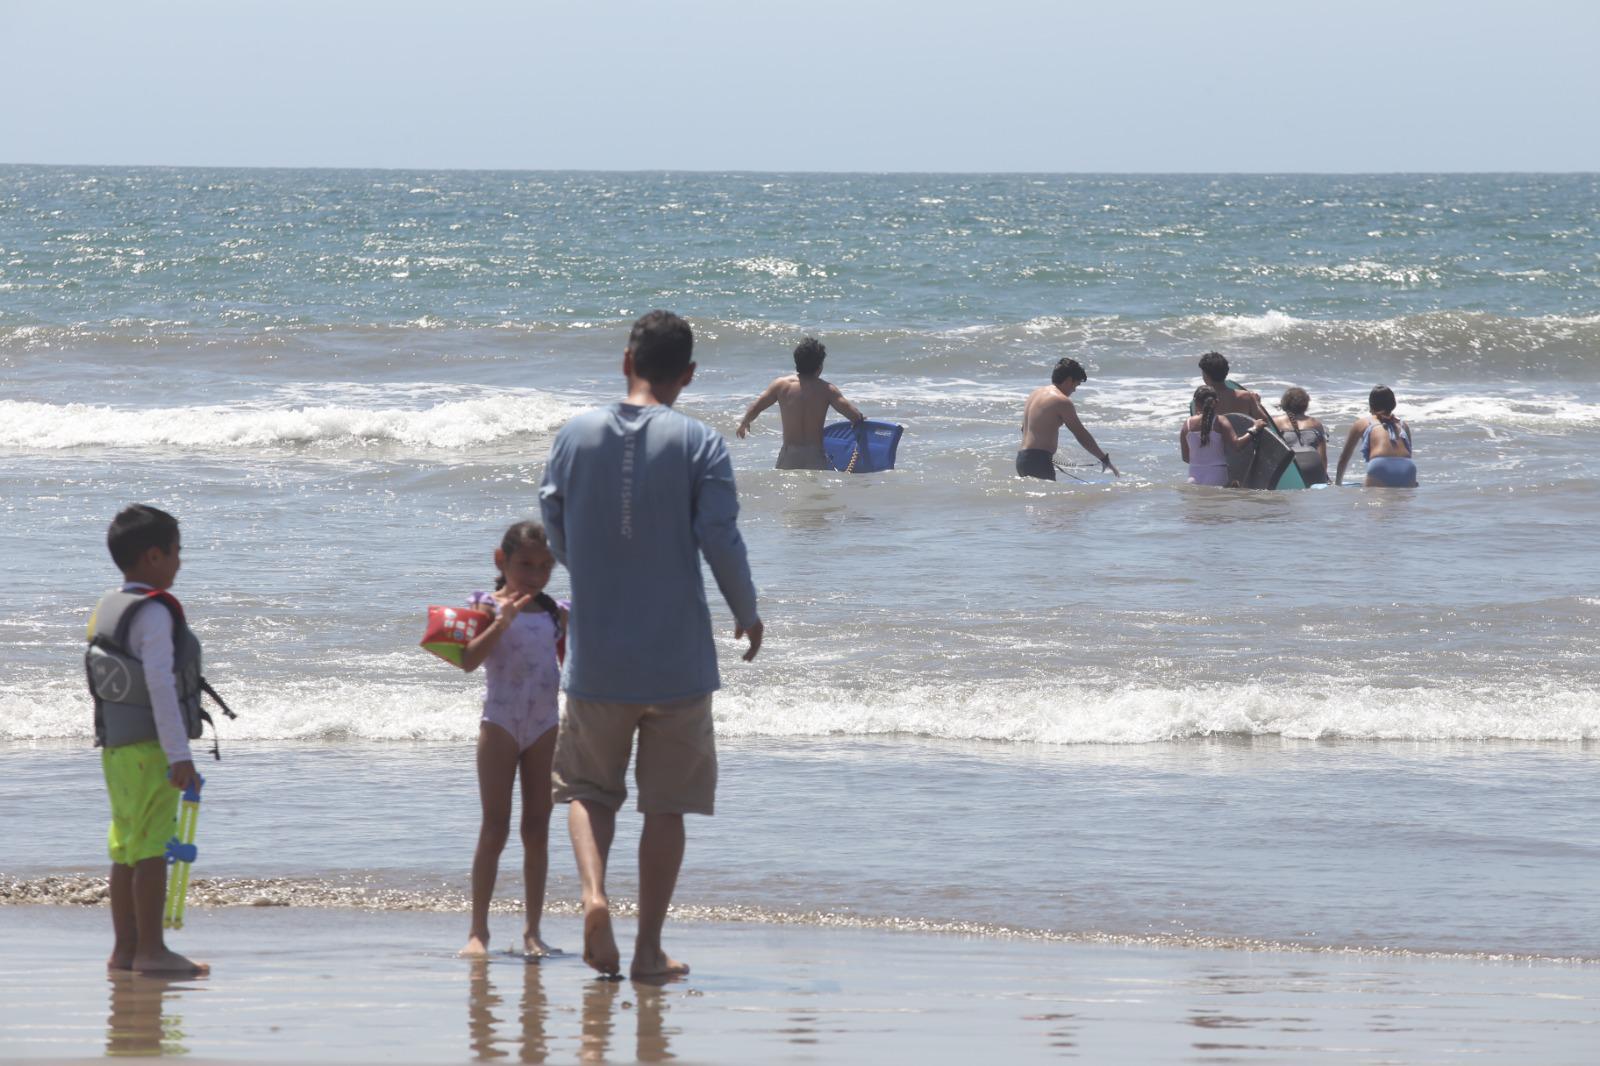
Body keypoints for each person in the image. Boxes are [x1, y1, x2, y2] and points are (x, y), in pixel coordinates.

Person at [539, 310, 762, 981]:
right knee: (666, 806)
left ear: (625, 360)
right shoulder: (700, 443)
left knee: (585, 788)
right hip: (677, 660)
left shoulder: (574, 434)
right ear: (688, 374)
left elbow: (553, 519)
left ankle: (593, 896)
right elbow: (721, 538)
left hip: (598, 654)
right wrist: (746, 612)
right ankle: (646, 949)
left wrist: (593, 571)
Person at [85, 505, 208, 975]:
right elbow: (159, 685)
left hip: (116, 748)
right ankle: (152, 951)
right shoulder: (153, 613)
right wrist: (180, 755)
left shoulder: (110, 607)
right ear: (154, 555)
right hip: (151, 749)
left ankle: (125, 951)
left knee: (126, 848)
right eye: (177, 552)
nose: (180, 561)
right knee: (153, 847)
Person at [456, 520, 567, 959]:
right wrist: (501, 623)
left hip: (544, 726)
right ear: (501, 560)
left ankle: (532, 931)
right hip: (499, 724)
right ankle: (477, 932)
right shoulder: (484, 606)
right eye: (525, 564)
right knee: (495, 827)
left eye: (545, 566)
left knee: (537, 830)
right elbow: (465, 661)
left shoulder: (558, 612)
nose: (535, 574)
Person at [735, 337, 864, 469]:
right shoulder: (827, 390)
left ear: (796, 362)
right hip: (815, 457)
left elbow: (756, 407)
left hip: (789, 457)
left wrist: (744, 423)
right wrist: (860, 419)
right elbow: (854, 416)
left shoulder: (781, 385)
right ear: (819, 367)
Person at [1016, 358, 1119, 480]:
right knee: (1050, 499)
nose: (1074, 390)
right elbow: (1081, 434)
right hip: (1038, 461)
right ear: (1069, 380)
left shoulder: (1035, 394)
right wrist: (1104, 459)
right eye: (1076, 384)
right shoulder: (1061, 401)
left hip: (1022, 459)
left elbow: (1024, 428)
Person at [1335, 384, 1417, 488]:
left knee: (1375, 503)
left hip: (1380, 466)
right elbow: (1409, 453)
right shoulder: (1403, 425)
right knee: (1399, 503)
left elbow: (1344, 458)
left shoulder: (1363, 423)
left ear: (1371, 405)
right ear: (1393, 404)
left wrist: (1338, 484)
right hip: (1407, 468)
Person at [1181, 385, 1264, 486]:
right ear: (1216, 402)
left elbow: (1185, 457)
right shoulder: (1220, 420)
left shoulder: (1187, 424)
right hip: (1217, 475)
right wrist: (1255, 428)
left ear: (1195, 402)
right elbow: (1237, 445)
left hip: (1193, 478)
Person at [1274, 386, 1330, 484]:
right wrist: (1324, 478)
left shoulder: (1276, 422)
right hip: (1314, 471)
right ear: (1305, 405)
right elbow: (1323, 458)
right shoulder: (1315, 424)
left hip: (1289, 471)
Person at [1197, 351, 1272, 422]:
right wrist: (1257, 404)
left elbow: (1196, 425)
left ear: (1206, 376)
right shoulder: (1246, 397)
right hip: (1244, 435)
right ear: (1226, 371)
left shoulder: (1202, 400)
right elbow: (1264, 421)